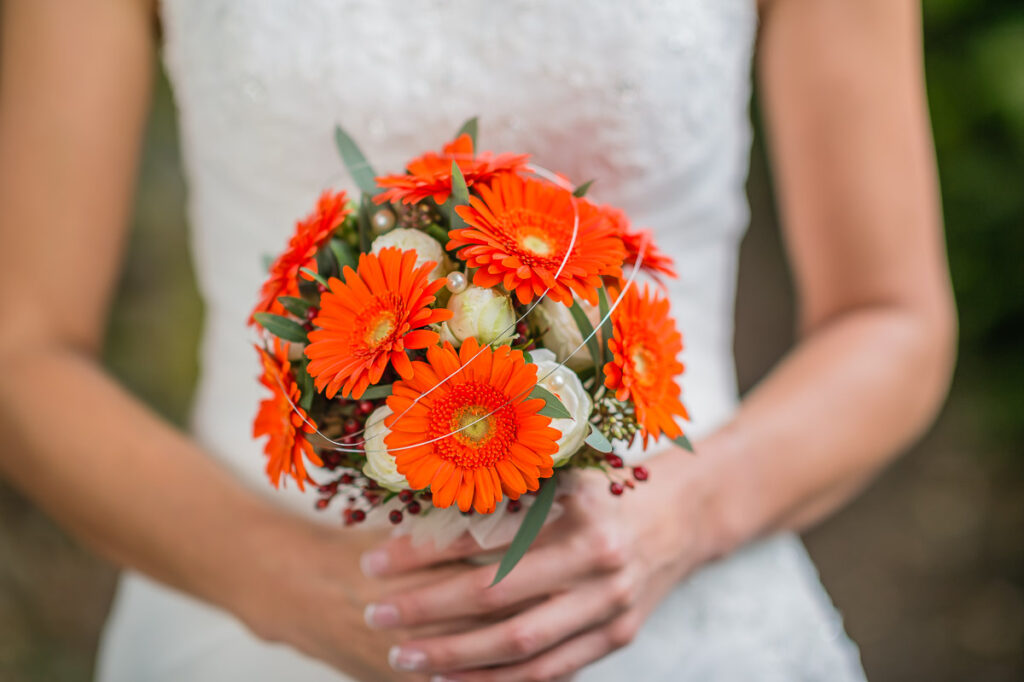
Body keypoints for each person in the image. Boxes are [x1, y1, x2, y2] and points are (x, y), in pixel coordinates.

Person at [0, 1, 955, 680]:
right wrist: (288, 585)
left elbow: (893, 318)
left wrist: (686, 517)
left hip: (676, 611)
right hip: (252, 617)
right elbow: (24, 350)